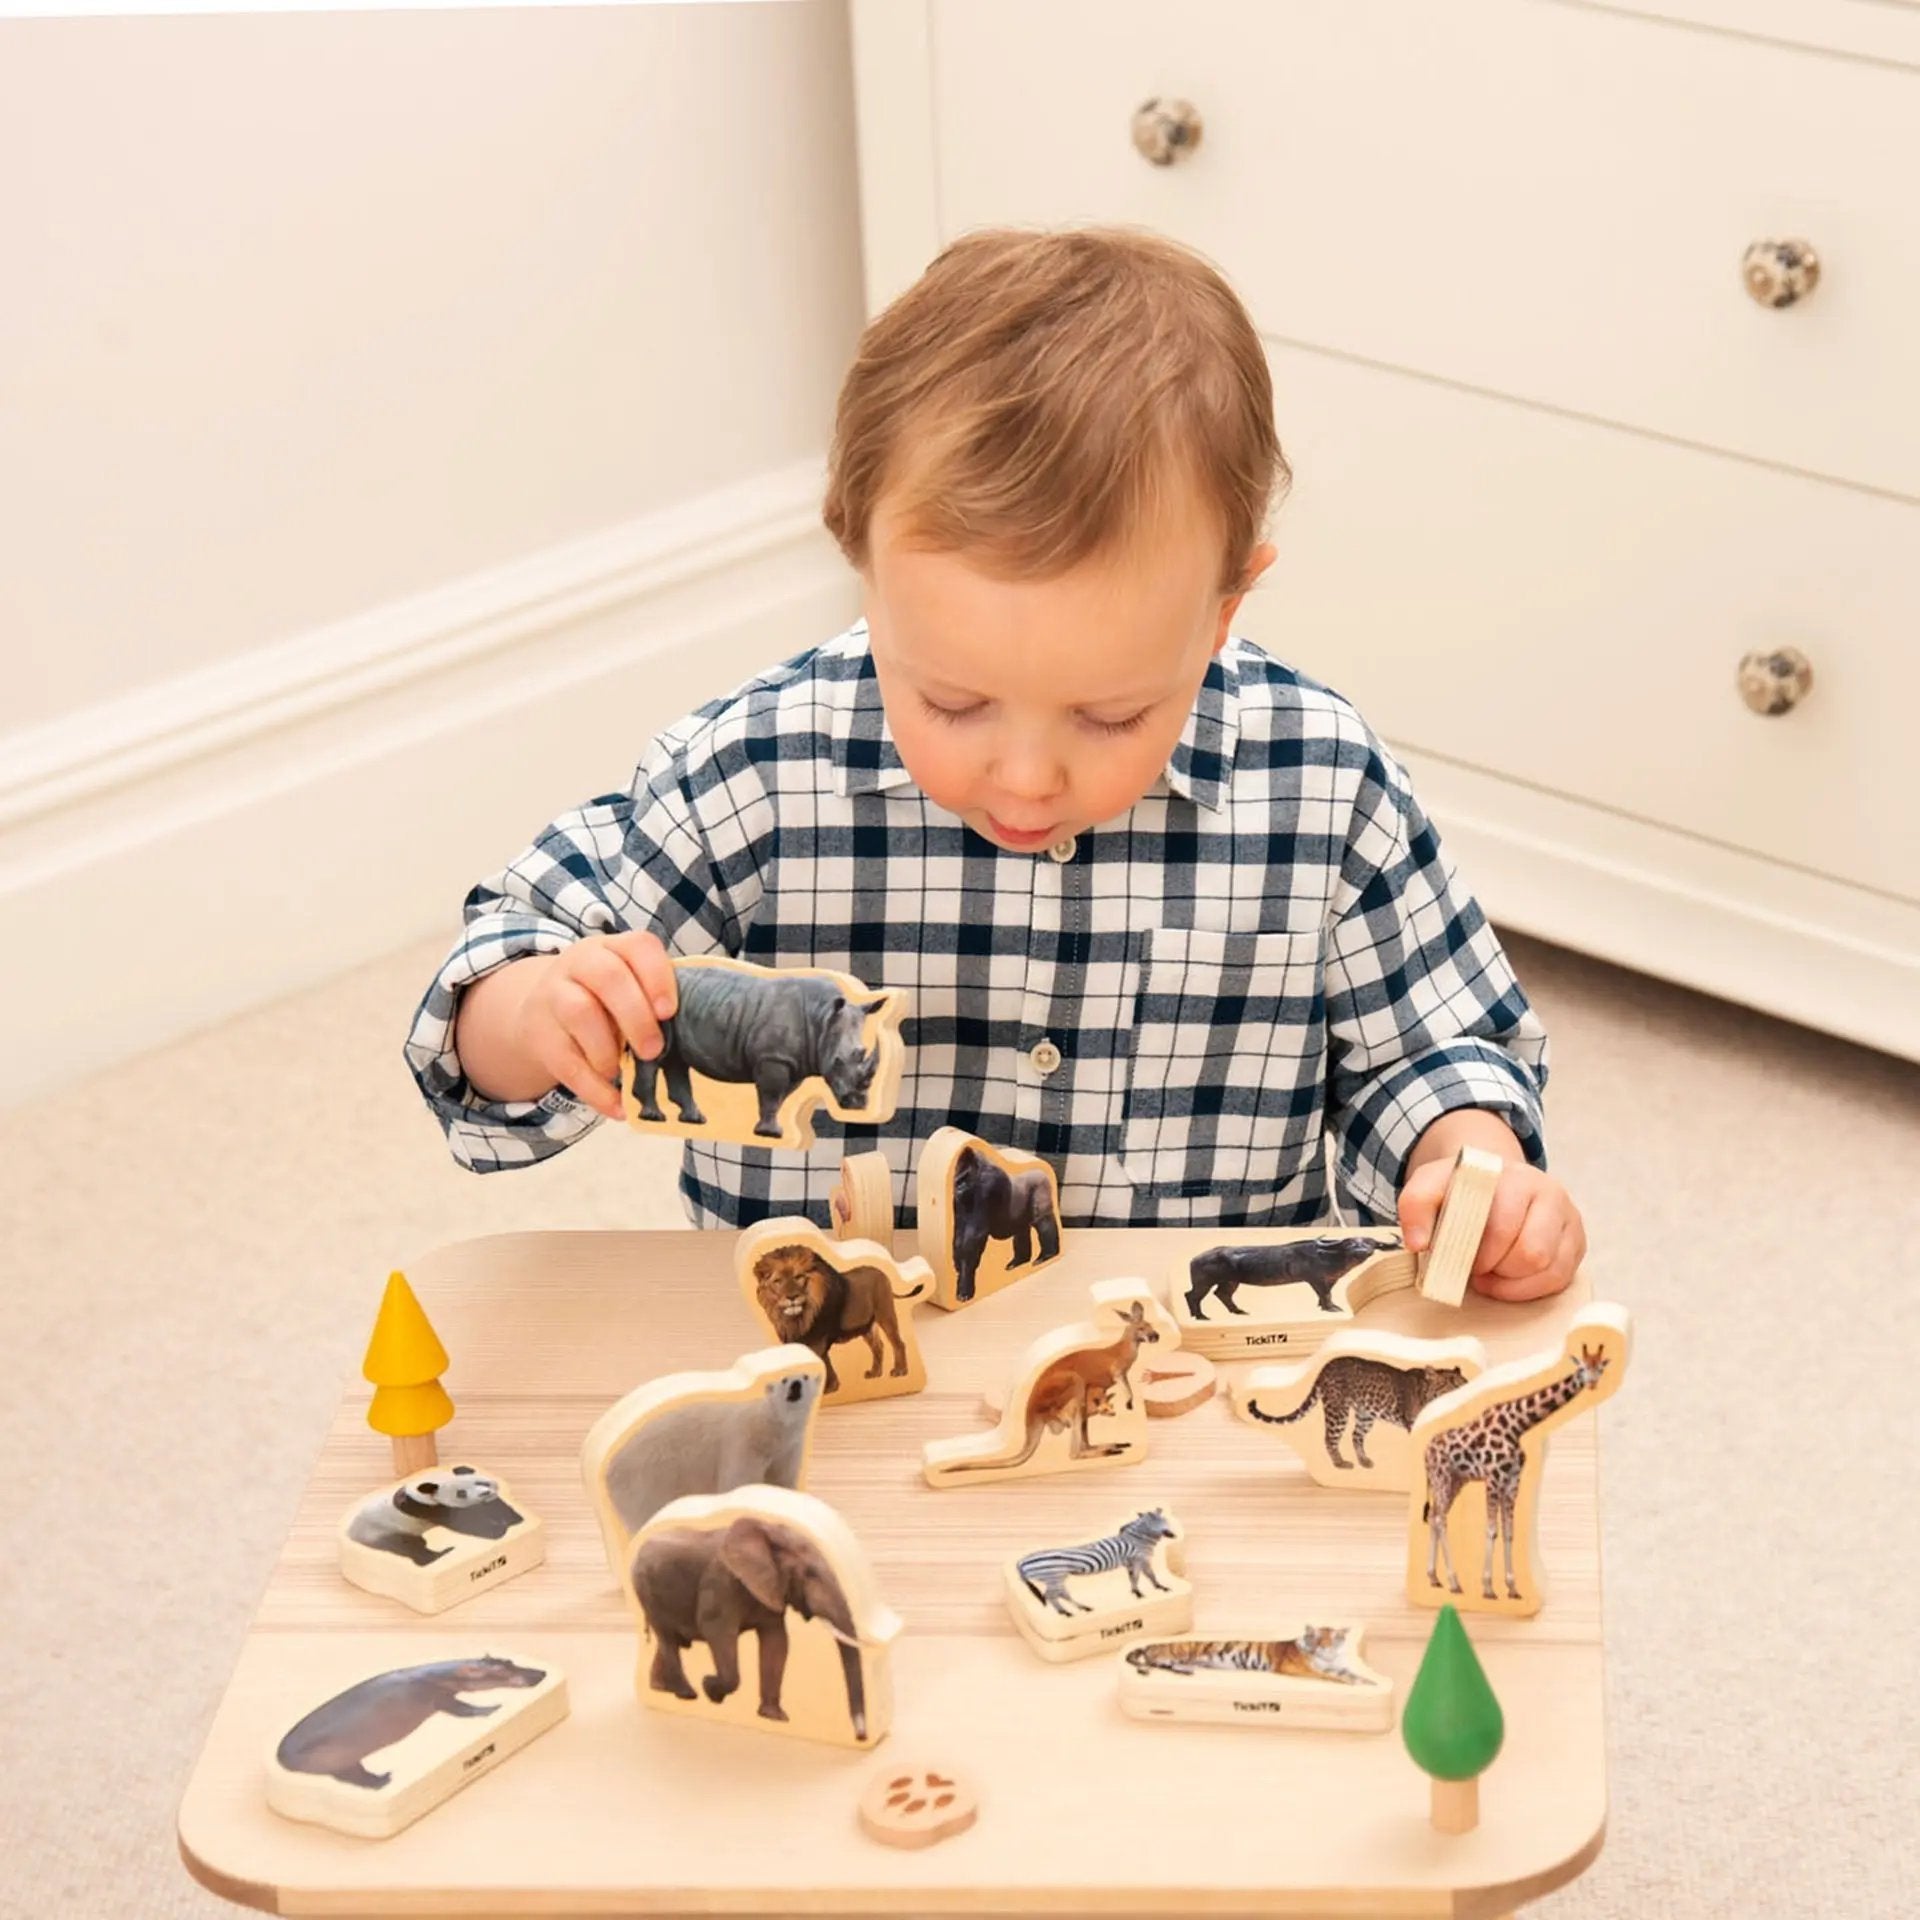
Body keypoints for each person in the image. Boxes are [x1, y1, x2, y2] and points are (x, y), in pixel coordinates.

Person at [405, 226, 1584, 1301]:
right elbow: (490, 985)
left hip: (1183, 1387)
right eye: (954, 700)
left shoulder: (1323, 785)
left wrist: (1469, 1169)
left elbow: (1439, 1048)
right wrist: (542, 1011)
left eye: (1112, 715)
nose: (1025, 778)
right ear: (861, 565)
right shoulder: (755, 775)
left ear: (1225, 609)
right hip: (828, 1367)